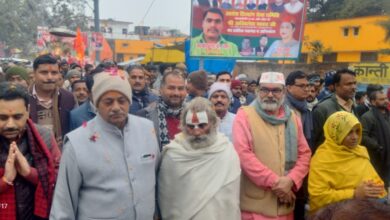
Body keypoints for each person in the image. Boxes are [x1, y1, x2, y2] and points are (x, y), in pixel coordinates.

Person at [50, 71, 160, 219]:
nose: (116, 107)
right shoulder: (77, 142)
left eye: (122, 100)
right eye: (108, 102)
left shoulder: (147, 129)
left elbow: (156, 179)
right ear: (96, 103)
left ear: (129, 101)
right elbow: (63, 204)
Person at [233, 72, 311, 220]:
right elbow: (243, 155)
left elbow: (305, 154)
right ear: (257, 91)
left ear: (284, 92)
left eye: (275, 90)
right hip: (255, 208)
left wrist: (291, 180)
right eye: (264, 90)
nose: (269, 95)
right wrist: (277, 184)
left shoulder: (293, 117)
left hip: (285, 207)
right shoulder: (245, 115)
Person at [158, 97, 241, 220]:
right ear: (183, 126)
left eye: (202, 125)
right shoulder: (174, 155)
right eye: (191, 126)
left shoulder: (226, 151)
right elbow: (169, 201)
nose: (196, 132)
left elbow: (230, 200)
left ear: (213, 124)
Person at [0, 82, 61, 220]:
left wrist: (29, 173)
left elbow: (61, 178)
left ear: (27, 111)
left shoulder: (44, 136)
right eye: (2, 118)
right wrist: (5, 180)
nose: (10, 125)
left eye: (17, 117)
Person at [308, 111, 386, 213]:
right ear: (335, 133)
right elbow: (318, 196)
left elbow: (374, 180)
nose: (355, 137)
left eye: (357, 131)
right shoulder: (323, 159)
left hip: (367, 211)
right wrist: (354, 193)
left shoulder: (360, 151)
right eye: (349, 132)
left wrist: (374, 189)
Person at [29, 54, 76, 146]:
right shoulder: (23, 98)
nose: (50, 77)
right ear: (34, 73)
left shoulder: (68, 98)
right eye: (44, 72)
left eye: (54, 73)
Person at [137, 71, 187, 148]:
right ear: (161, 90)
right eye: (171, 88)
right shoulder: (144, 116)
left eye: (180, 88)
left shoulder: (192, 115)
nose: (176, 93)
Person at [312, 69, 357, 151]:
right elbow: (315, 140)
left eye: (354, 83)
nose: (353, 87)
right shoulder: (322, 108)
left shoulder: (353, 106)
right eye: (349, 84)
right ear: (336, 86)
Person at [361, 89, 390, 186]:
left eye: (386, 98)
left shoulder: (388, 115)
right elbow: (363, 136)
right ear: (373, 102)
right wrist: (377, 146)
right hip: (376, 157)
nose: (386, 101)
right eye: (382, 99)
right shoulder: (367, 117)